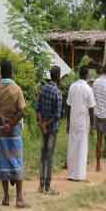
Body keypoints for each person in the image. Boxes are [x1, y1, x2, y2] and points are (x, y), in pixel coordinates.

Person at [0, 59, 28, 208]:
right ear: (12, 72)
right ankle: (19, 198)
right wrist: (11, 125)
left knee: (4, 160)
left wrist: (3, 124)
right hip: (14, 130)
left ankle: (6, 197)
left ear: (1, 72)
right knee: (17, 160)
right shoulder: (16, 89)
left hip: (1, 130)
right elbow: (22, 111)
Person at [66, 65, 96, 182]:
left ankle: (71, 174)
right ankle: (79, 175)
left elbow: (68, 106)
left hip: (73, 121)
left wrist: (68, 122)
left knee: (72, 147)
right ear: (87, 75)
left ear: (79, 74)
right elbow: (91, 109)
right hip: (83, 122)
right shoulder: (88, 89)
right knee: (82, 148)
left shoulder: (72, 87)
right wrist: (93, 126)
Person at [36, 66, 63, 195]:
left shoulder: (43, 89)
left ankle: (40, 185)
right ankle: (47, 186)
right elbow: (57, 115)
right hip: (51, 129)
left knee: (43, 156)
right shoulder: (57, 92)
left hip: (43, 128)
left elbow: (38, 108)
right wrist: (46, 125)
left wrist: (42, 124)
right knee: (49, 157)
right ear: (58, 76)